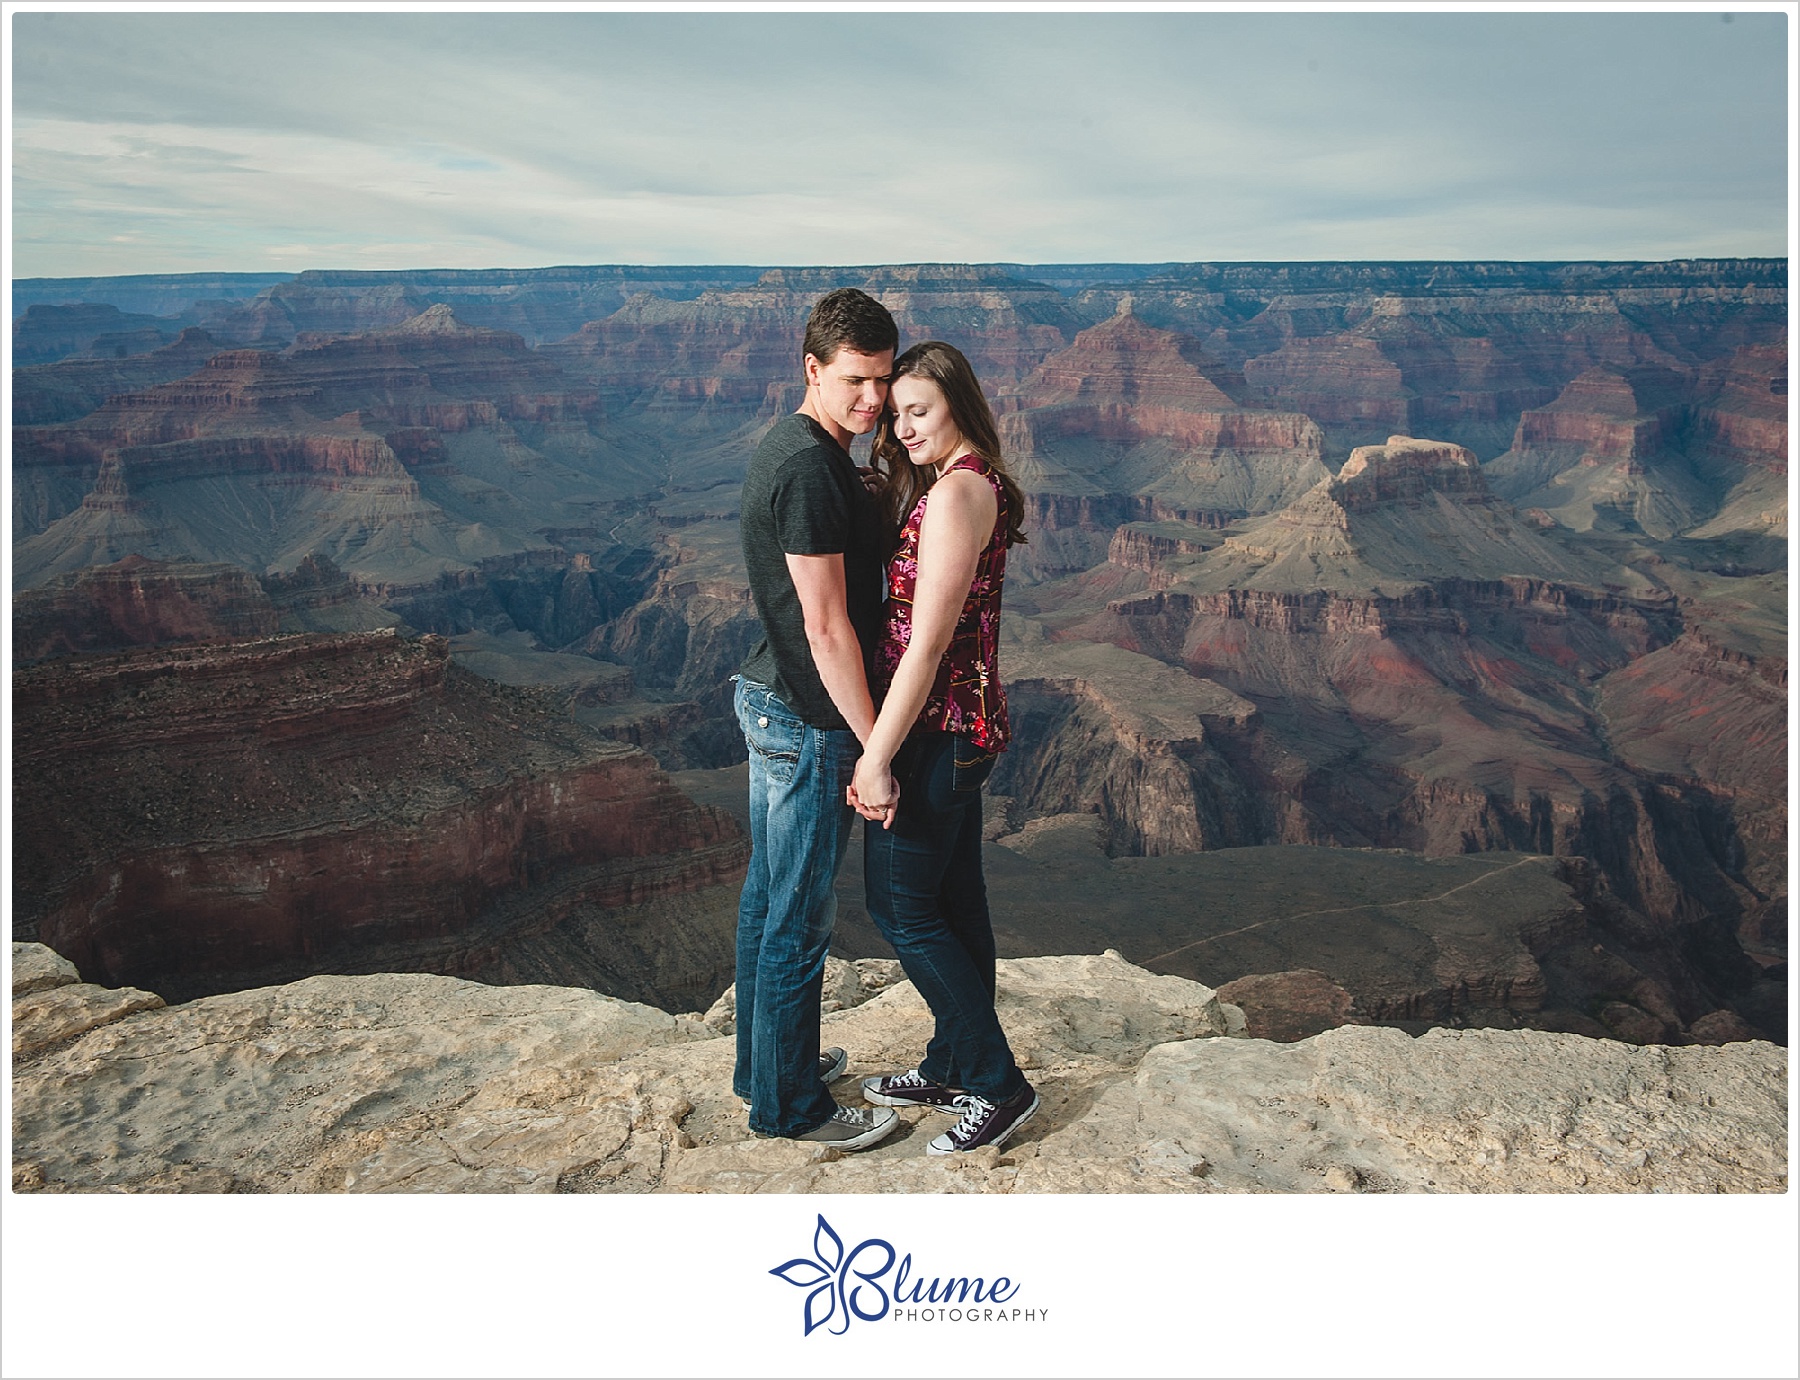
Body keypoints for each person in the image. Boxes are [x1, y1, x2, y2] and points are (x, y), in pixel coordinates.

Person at [848, 340, 1038, 1155]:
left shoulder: (959, 493)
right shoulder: (963, 483)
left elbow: (927, 646)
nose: (903, 428)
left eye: (918, 411)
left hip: (937, 729)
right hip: (964, 726)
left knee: (901, 908)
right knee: (957, 904)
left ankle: (999, 1085)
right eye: (896, 416)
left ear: (958, 402)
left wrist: (874, 757)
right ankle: (954, 1060)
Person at [733, 287, 902, 1151]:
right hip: (808, 718)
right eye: (855, 382)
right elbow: (828, 625)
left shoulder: (806, 447)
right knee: (800, 917)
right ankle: (791, 1107)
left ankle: (762, 1067)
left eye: (882, 381)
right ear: (813, 370)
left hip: (774, 698)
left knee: (769, 896)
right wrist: (874, 744)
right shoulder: (807, 469)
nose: (873, 401)